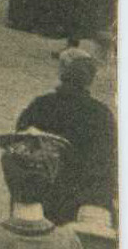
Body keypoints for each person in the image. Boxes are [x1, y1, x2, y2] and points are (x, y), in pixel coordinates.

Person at [16, 48, 117, 228]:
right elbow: (108, 163)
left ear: (62, 73)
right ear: (90, 80)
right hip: (81, 201)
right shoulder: (102, 114)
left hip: (40, 196)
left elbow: (18, 147)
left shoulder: (41, 105)